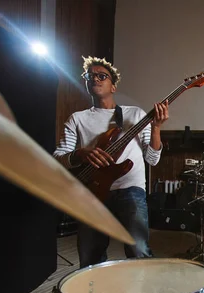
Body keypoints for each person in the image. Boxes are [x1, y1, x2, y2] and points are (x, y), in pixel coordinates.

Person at [53, 56, 169, 267]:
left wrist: (157, 128)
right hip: (92, 192)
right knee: (89, 258)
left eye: (101, 76)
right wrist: (81, 153)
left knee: (139, 250)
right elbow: (59, 158)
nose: (95, 79)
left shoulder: (135, 115)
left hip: (129, 189)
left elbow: (152, 159)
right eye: (90, 76)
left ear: (113, 86)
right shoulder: (76, 119)